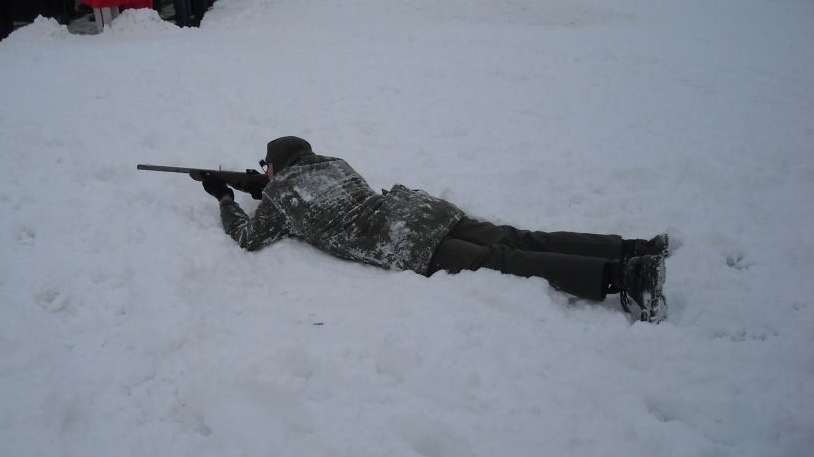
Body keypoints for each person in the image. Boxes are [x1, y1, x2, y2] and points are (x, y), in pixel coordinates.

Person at [200, 137, 670, 323]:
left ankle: (623, 278)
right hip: (424, 211)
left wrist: (224, 196)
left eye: (267, 168)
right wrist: (265, 188)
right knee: (520, 238)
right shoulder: (333, 164)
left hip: (409, 239)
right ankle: (631, 248)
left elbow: (249, 238)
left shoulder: (283, 196)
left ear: (276, 167)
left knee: (506, 263)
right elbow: (316, 196)